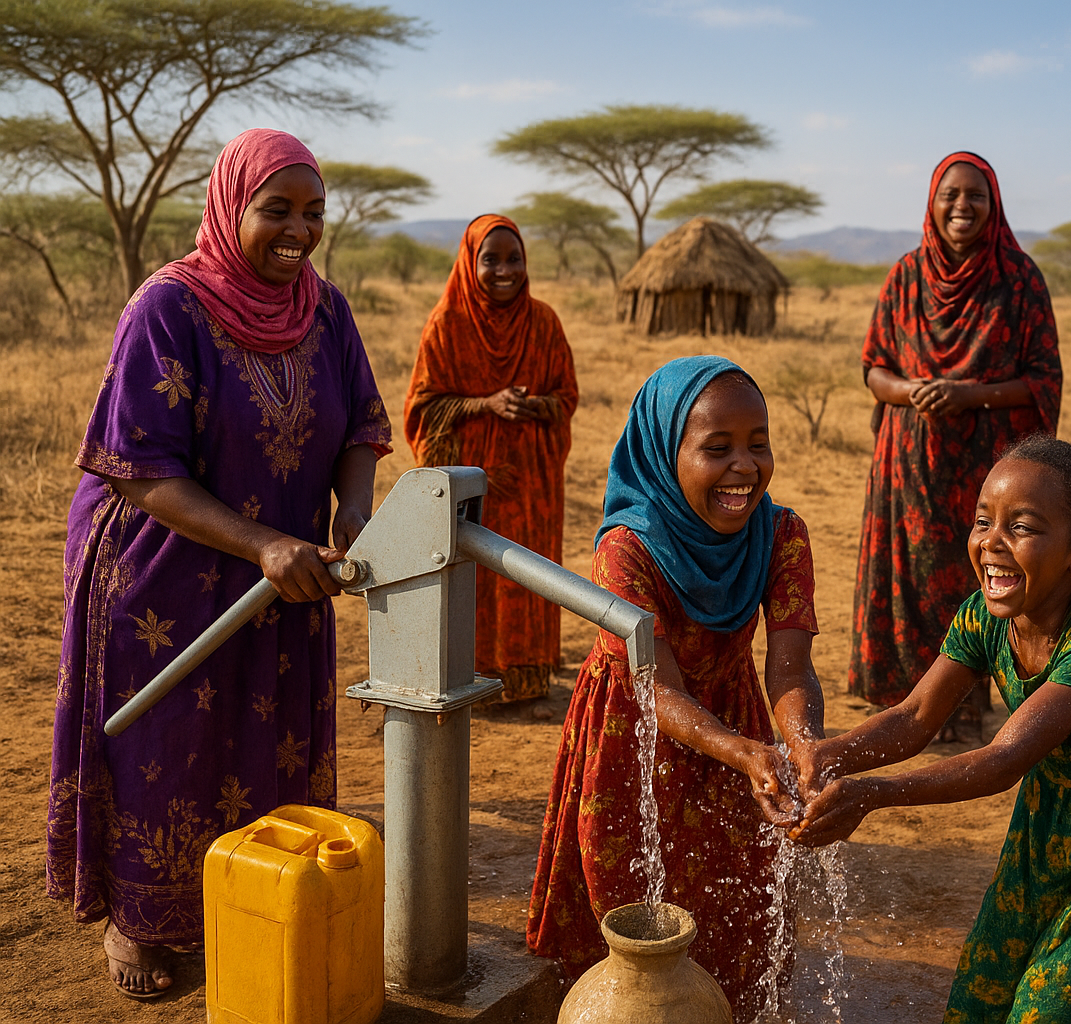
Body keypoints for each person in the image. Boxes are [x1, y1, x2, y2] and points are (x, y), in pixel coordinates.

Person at [46, 129, 392, 999]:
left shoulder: (327, 309)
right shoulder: (167, 309)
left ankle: (257, 901)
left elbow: (360, 427)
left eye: (314, 212)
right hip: (163, 570)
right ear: (230, 205)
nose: (299, 230)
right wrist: (263, 543)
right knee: (171, 739)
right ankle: (142, 923)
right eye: (276, 210)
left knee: (266, 741)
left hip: (288, 572)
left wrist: (352, 509)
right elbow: (143, 467)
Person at [796, 436, 1071, 1024]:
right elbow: (915, 718)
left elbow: (1004, 758)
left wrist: (873, 793)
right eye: (982, 521)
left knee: (1070, 997)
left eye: (1021, 527)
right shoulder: (985, 616)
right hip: (1054, 812)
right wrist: (822, 757)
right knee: (988, 988)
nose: (991, 542)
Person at [526, 356, 823, 1019]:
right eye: (717, 450)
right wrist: (746, 752)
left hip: (735, 720)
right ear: (664, 452)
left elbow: (790, 667)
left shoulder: (781, 536)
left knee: (741, 894)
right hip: (630, 738)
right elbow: (652, 684)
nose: (745, 467)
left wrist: (800, 743)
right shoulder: (626, 551)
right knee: (631, 912)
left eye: (757, 444)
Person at [850, 151, 1061, 741]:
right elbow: (873, 369)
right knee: (907, 577)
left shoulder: (1019, 279)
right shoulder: (905, 275)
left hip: (987, 466)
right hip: (907, 460)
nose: (962, 207)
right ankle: (902, 702)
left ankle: (962, 708)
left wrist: (970, 395)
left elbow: (1042, 379)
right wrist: (912, 389)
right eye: (951, 196)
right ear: (932, 205)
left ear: (994, 206)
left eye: (976, 196)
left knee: (978, 574)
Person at [404, 214, 578, 709]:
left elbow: (566, 396)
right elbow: (421, 407)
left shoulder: (543, 322)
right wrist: (485, 404)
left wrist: (535, 405)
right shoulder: (446, 324)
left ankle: (526, 680)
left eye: (514, 259)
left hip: (529, 483)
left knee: (528, 571)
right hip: (471, 486)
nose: (505, 270)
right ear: (468, 262)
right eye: (491, 260)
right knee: (470, 571)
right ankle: (468, 679)